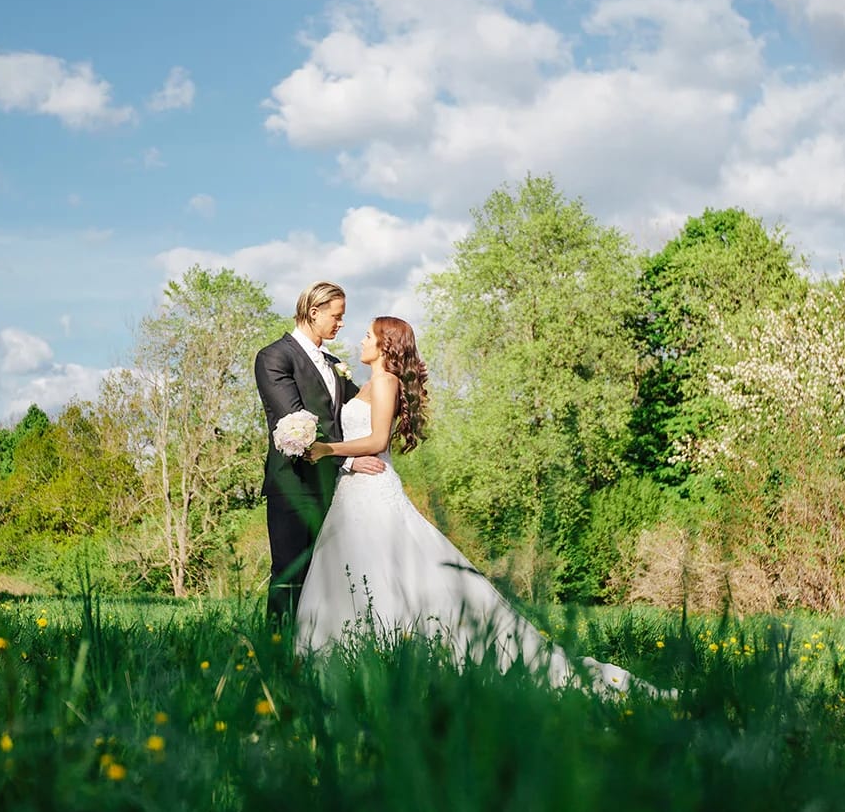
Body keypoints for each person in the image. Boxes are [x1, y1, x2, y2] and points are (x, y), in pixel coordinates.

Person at [295, 316, 671, 698]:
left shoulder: (386, 382)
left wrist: (328, 449)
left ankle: (402, 654)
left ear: (385, 345)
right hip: (351, 491)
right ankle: (347, 657)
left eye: (368, 335)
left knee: (389, 570)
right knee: (353, 569)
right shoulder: (364, 385)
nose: (361, 340)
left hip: (374, 489)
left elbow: (377, 440)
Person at [254, 281, 385, 624]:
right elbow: (294, 422)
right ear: (314, 312)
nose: (341, 324)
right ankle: (277, 650)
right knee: (290, 571)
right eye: (337, 316)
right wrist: (350, 458)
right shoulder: (274, 357)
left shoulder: (334, 363)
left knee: (323, 576)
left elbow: (360, 408)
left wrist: (394, 378)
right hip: (293, 484)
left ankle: (313, 651)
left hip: (331, 486)